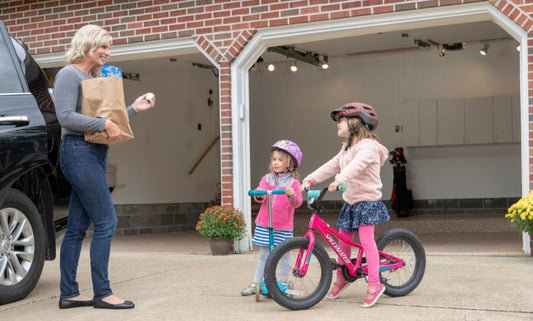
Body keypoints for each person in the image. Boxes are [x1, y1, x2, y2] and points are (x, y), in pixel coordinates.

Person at [53, 24, 155, 310]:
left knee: (77, 226)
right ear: (88, 44)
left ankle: (69, 293)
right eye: (104, 47)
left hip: (94, 153)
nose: (107, 53)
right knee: (107, 220)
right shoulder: (68, 74)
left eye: (109, 48)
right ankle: (103, 293)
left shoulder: (91, 77)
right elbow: (65, 117)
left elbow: (108, 120)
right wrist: (103, 123)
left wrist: (133, 108)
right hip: (77, 152)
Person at [300, 102, 390, 308]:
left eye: (342, 120)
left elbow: (356, 166)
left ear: (356, 122)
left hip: (367, 201)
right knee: (343, 240)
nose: (338, 124)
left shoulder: (368, 146)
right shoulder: (346, 148)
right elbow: (331, 166)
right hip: (350, 201)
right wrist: (310, 180)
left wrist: (340, 179)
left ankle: (375, 284)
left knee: (367, 240)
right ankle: (342, 277)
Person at [241, 140, 303, 296]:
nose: (276, 163)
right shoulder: (267, 179)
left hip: (283, 226)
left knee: (284, 254)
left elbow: (297, 203)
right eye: (274, 159)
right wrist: (260, 194)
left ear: (291, 163)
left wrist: (292, 195)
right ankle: (257, 281)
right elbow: (260, 196)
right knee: (264, 254)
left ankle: (281, 282)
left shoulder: (293, 183)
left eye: (280, 160)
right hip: (265, 224)